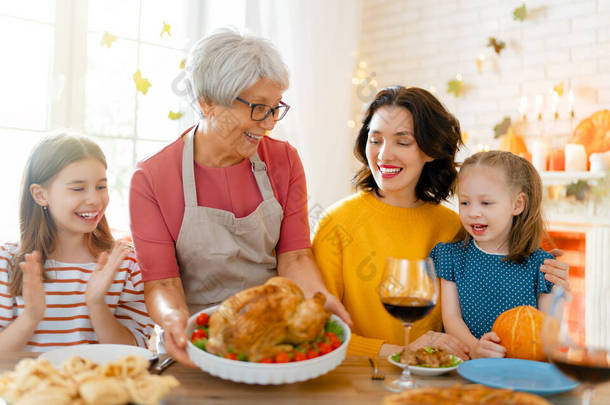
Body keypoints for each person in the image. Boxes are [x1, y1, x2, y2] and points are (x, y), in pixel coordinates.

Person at [129, 28, 351, 365]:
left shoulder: (285, 161)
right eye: (258, 108)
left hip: (271, 334)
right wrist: (174, 321)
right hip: (196, 342)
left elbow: (295, 258)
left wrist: (318, 298)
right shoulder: (152, 178)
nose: (269, 124)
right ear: (207, 103)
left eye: (276, 108)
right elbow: (162, 282)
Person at [312, 86, 570, 359]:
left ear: (431, 149)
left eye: (402, 141)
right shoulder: (335, 224)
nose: (384, 154)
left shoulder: (455, 226)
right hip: (363, 380)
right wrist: (400, 352)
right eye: (375, 140)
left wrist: (550, 279)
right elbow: (320, 335)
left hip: (443, 381)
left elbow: (495, 300)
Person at [0, 133, 153, 351]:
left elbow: (137, 350)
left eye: (101, 187)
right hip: (28, 385)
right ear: (40, 195)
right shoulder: (7, 262)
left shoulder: (125, 264)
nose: (94, 199)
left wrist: (97, 304)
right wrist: (31, 316)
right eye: (78, 188)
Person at [430, 151, 560, 359]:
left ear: (517, 204)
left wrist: (562, 295)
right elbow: (451, 318)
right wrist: (474, 348)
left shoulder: (540, 265)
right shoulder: (451, 256)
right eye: (465, 202)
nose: (473, 212)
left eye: (486, 203)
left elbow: (549, 329)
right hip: (466, 364)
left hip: (521, 369)